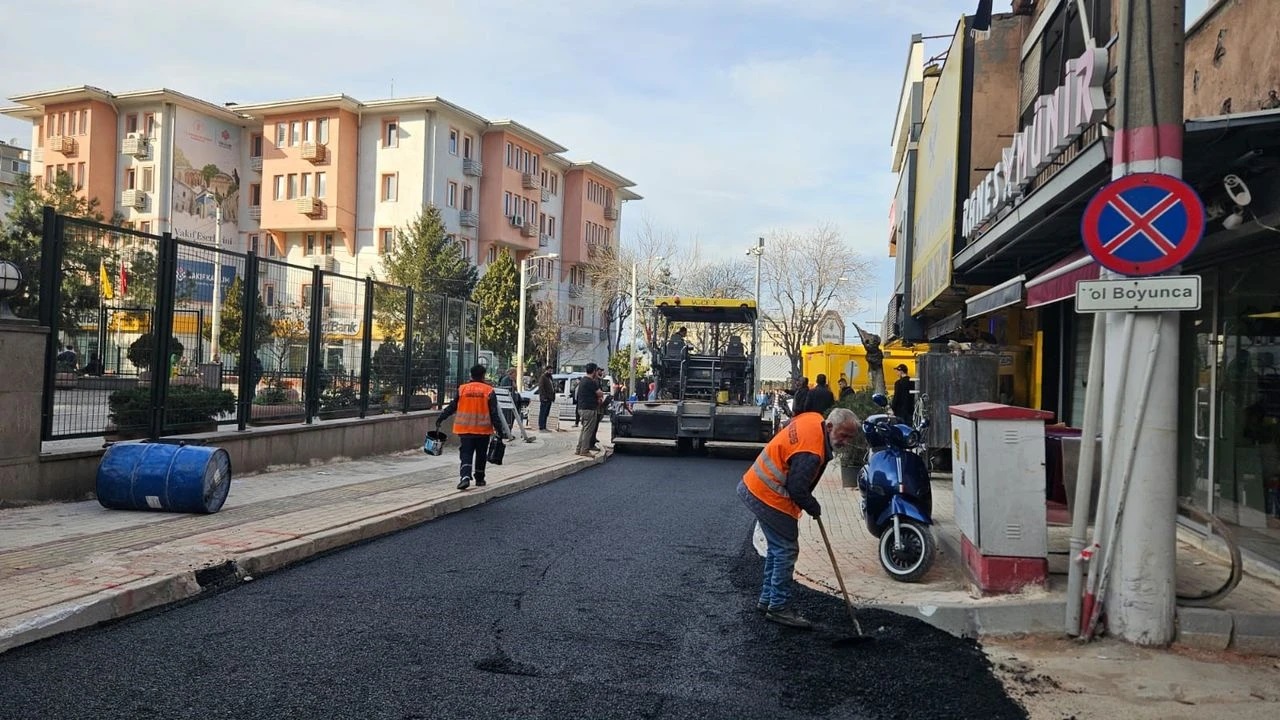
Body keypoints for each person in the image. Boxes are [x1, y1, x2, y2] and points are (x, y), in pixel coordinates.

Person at [738, 407, 861, 629]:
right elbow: (797, 489)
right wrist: (814, 507)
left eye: (850, 438)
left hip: (756, 484)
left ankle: (768, 600)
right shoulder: (812, 452)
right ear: (830, 427)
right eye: (843, 435)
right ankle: (779, 607)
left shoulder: (814, 420)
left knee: (777, 549)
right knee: (786, 550)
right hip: (769, 494)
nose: (845, 442)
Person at [435, 364, 509, 491]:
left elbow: (453, 406)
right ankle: (480, 479)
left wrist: (441, 417)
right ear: (483, 375)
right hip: (483, 430)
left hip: (465, 429)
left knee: (466, 453)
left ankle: (465, 476)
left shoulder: (462, 389)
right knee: (481, 454)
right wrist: (500, 430)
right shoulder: (488, 390)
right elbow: (494, 413)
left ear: (471, 375)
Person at [575, 362, 604, 457]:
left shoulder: (583, 380)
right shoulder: (591, 382)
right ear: (594, 371)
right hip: (589, 409)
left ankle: (579, 448)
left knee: (584, 430)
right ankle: (585, 450)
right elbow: (600, 393)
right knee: (588, 431)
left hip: (581, 408)